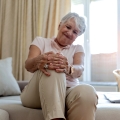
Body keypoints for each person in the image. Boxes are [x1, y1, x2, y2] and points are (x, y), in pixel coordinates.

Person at [20, 12, 98, 120]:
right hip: (37, 93)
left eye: (75, 32)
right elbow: (28, 65)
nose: (70, 33)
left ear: (77, 36)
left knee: (88, 91)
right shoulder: (40, 41)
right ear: (59, 25)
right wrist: (40, 60)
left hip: (68, 91)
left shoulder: (77, 49)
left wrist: (68, 68)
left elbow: (80, 69)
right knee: (53, 67)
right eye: (68, 27)